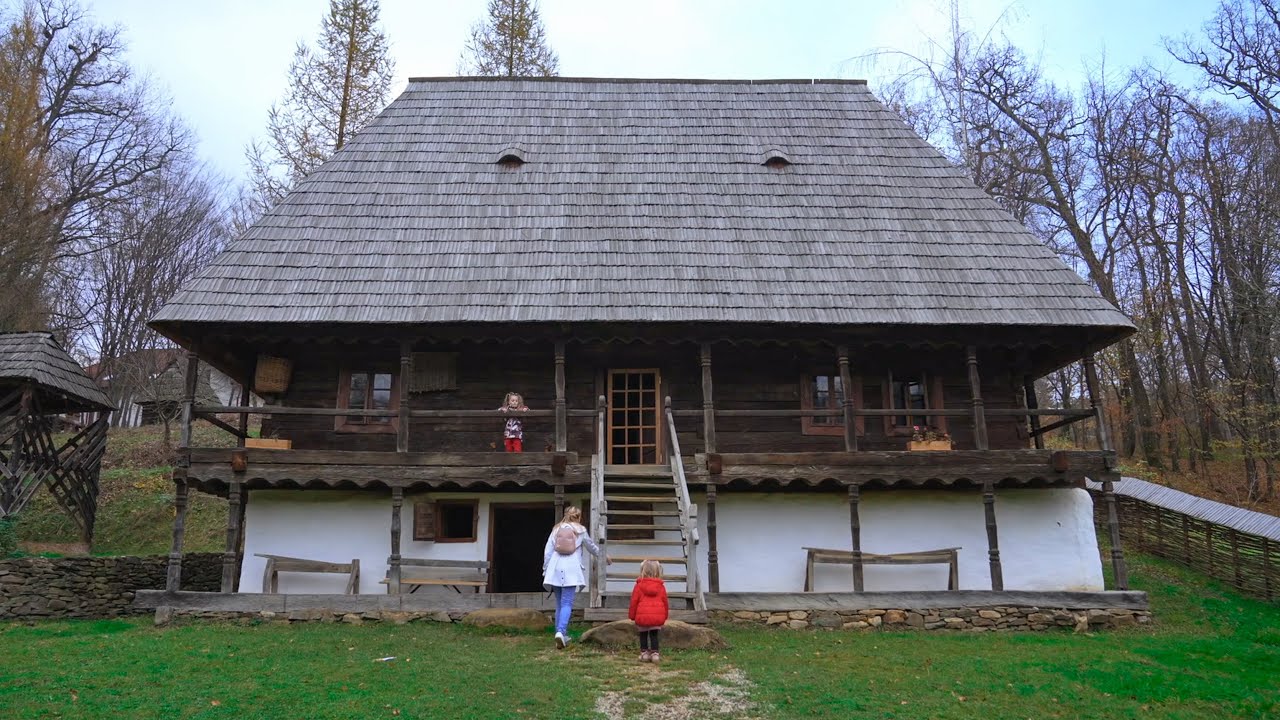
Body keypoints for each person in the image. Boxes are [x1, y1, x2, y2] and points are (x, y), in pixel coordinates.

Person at [542, 506, 609, 649]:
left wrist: (545, 569)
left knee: (559, 603)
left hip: (555, 568)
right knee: (567, 603)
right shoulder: (581, 530)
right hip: (571, 570)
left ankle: (559, 634)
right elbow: (591, 547)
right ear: (578, 517)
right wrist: (603, 556)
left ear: (566, 515)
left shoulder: (556, 529)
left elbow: (548, 551)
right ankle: (561, 632)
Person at [628, 559, 670, 663]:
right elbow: (665, 602)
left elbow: (634, 602)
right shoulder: (661, 587)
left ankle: (644, 654)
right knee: (654, 634)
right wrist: (665, 616)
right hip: (657, 616)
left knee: (643, 634)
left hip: (642, 616)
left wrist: (632, 615)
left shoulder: (638, 586)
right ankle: (655, 654)